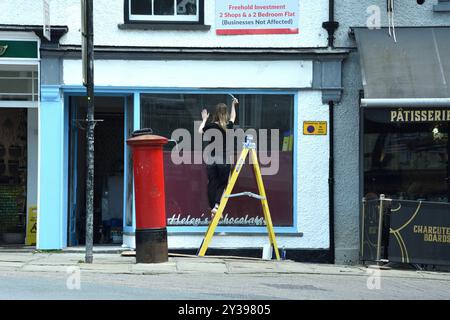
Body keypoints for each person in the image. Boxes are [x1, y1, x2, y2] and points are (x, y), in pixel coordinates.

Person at [198, 98, 238, 215]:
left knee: (212, 183)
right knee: (222, 183)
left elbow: (200, 131)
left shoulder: (211, 126)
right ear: (225, 113)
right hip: (223, 160)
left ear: (215, 114)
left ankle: (212, 208)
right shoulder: (228, 126)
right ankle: (216, 205)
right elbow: (233, 118)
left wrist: (204, 119)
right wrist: (233, 105)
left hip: (211, 159)